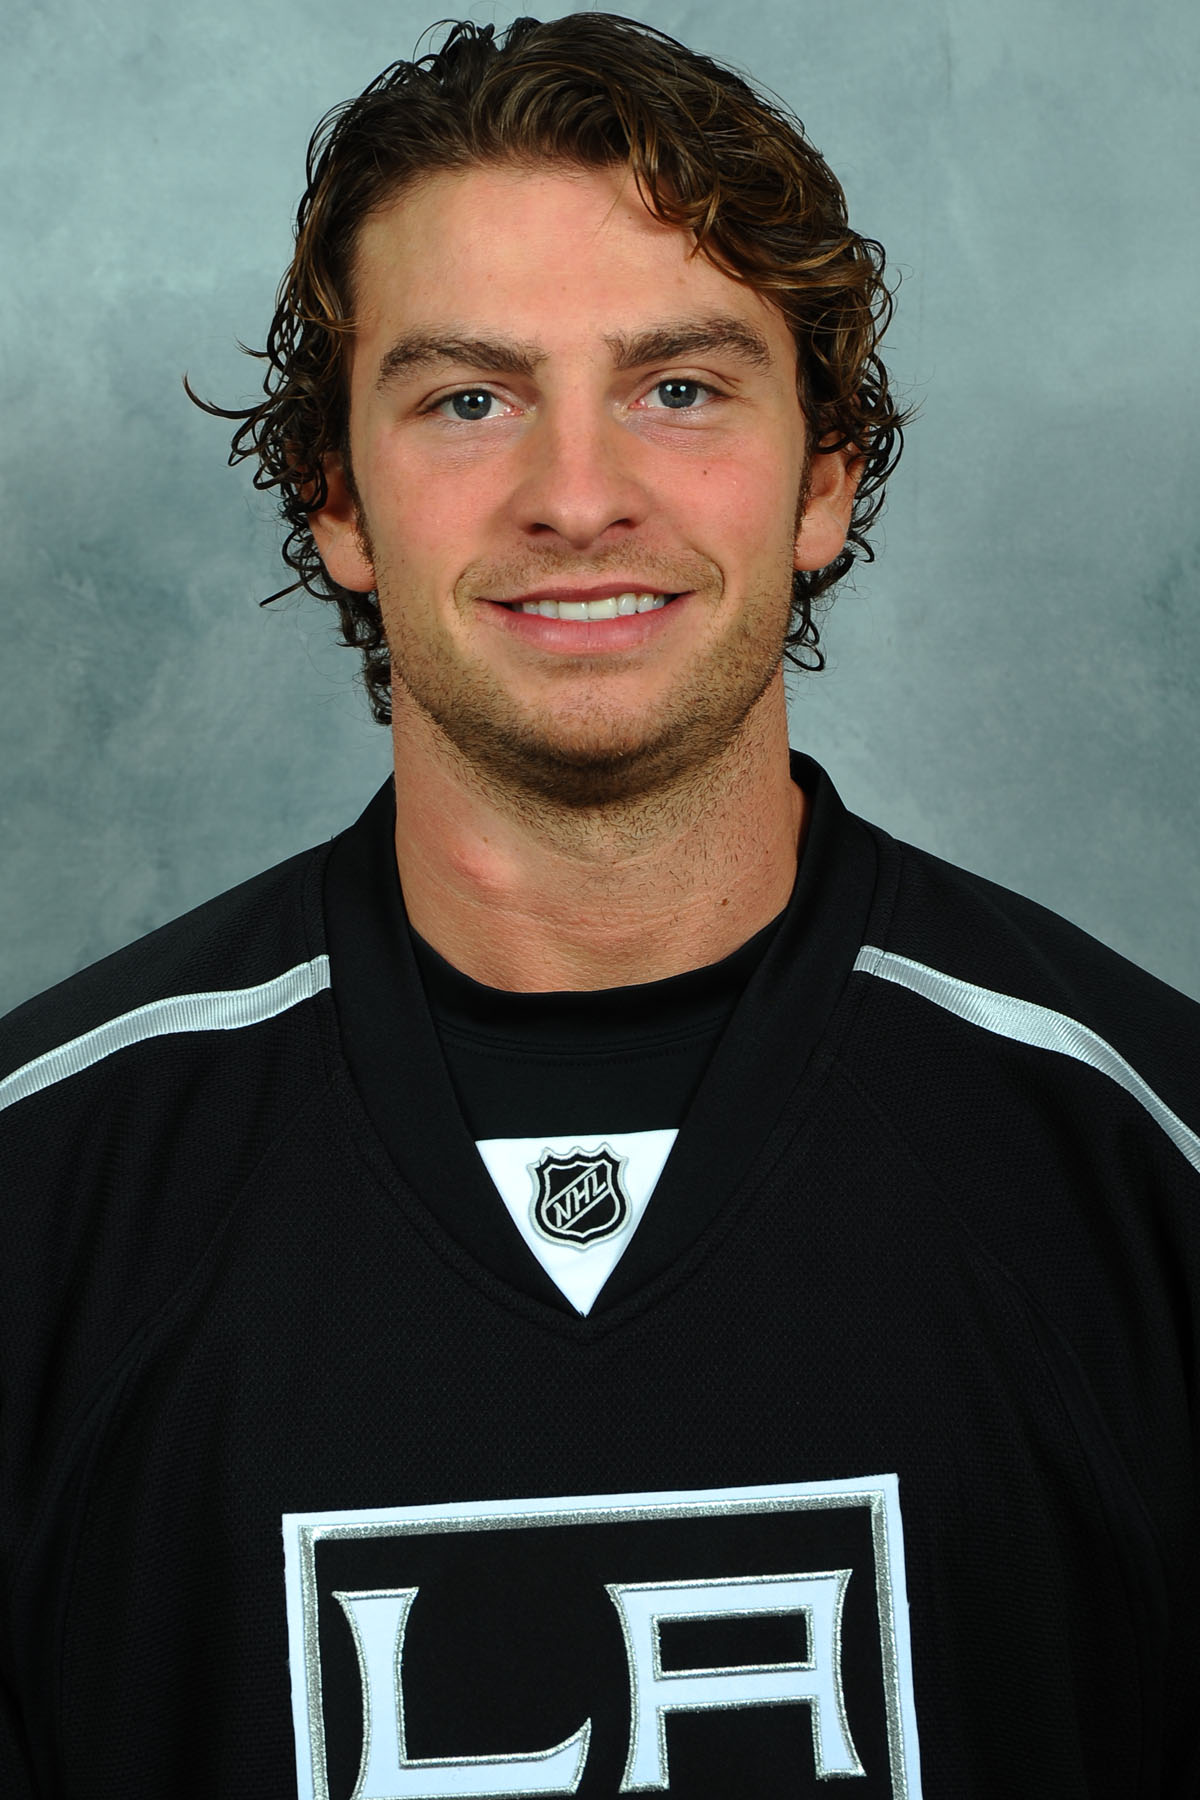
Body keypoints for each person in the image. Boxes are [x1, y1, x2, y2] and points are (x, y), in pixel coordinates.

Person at [1, 13, 1197, 1796]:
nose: (577, 497)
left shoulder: (1145, 1157)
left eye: (680, 389)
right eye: (469, 399)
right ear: (338, 498)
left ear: (823, 477)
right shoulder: (43, 1193)